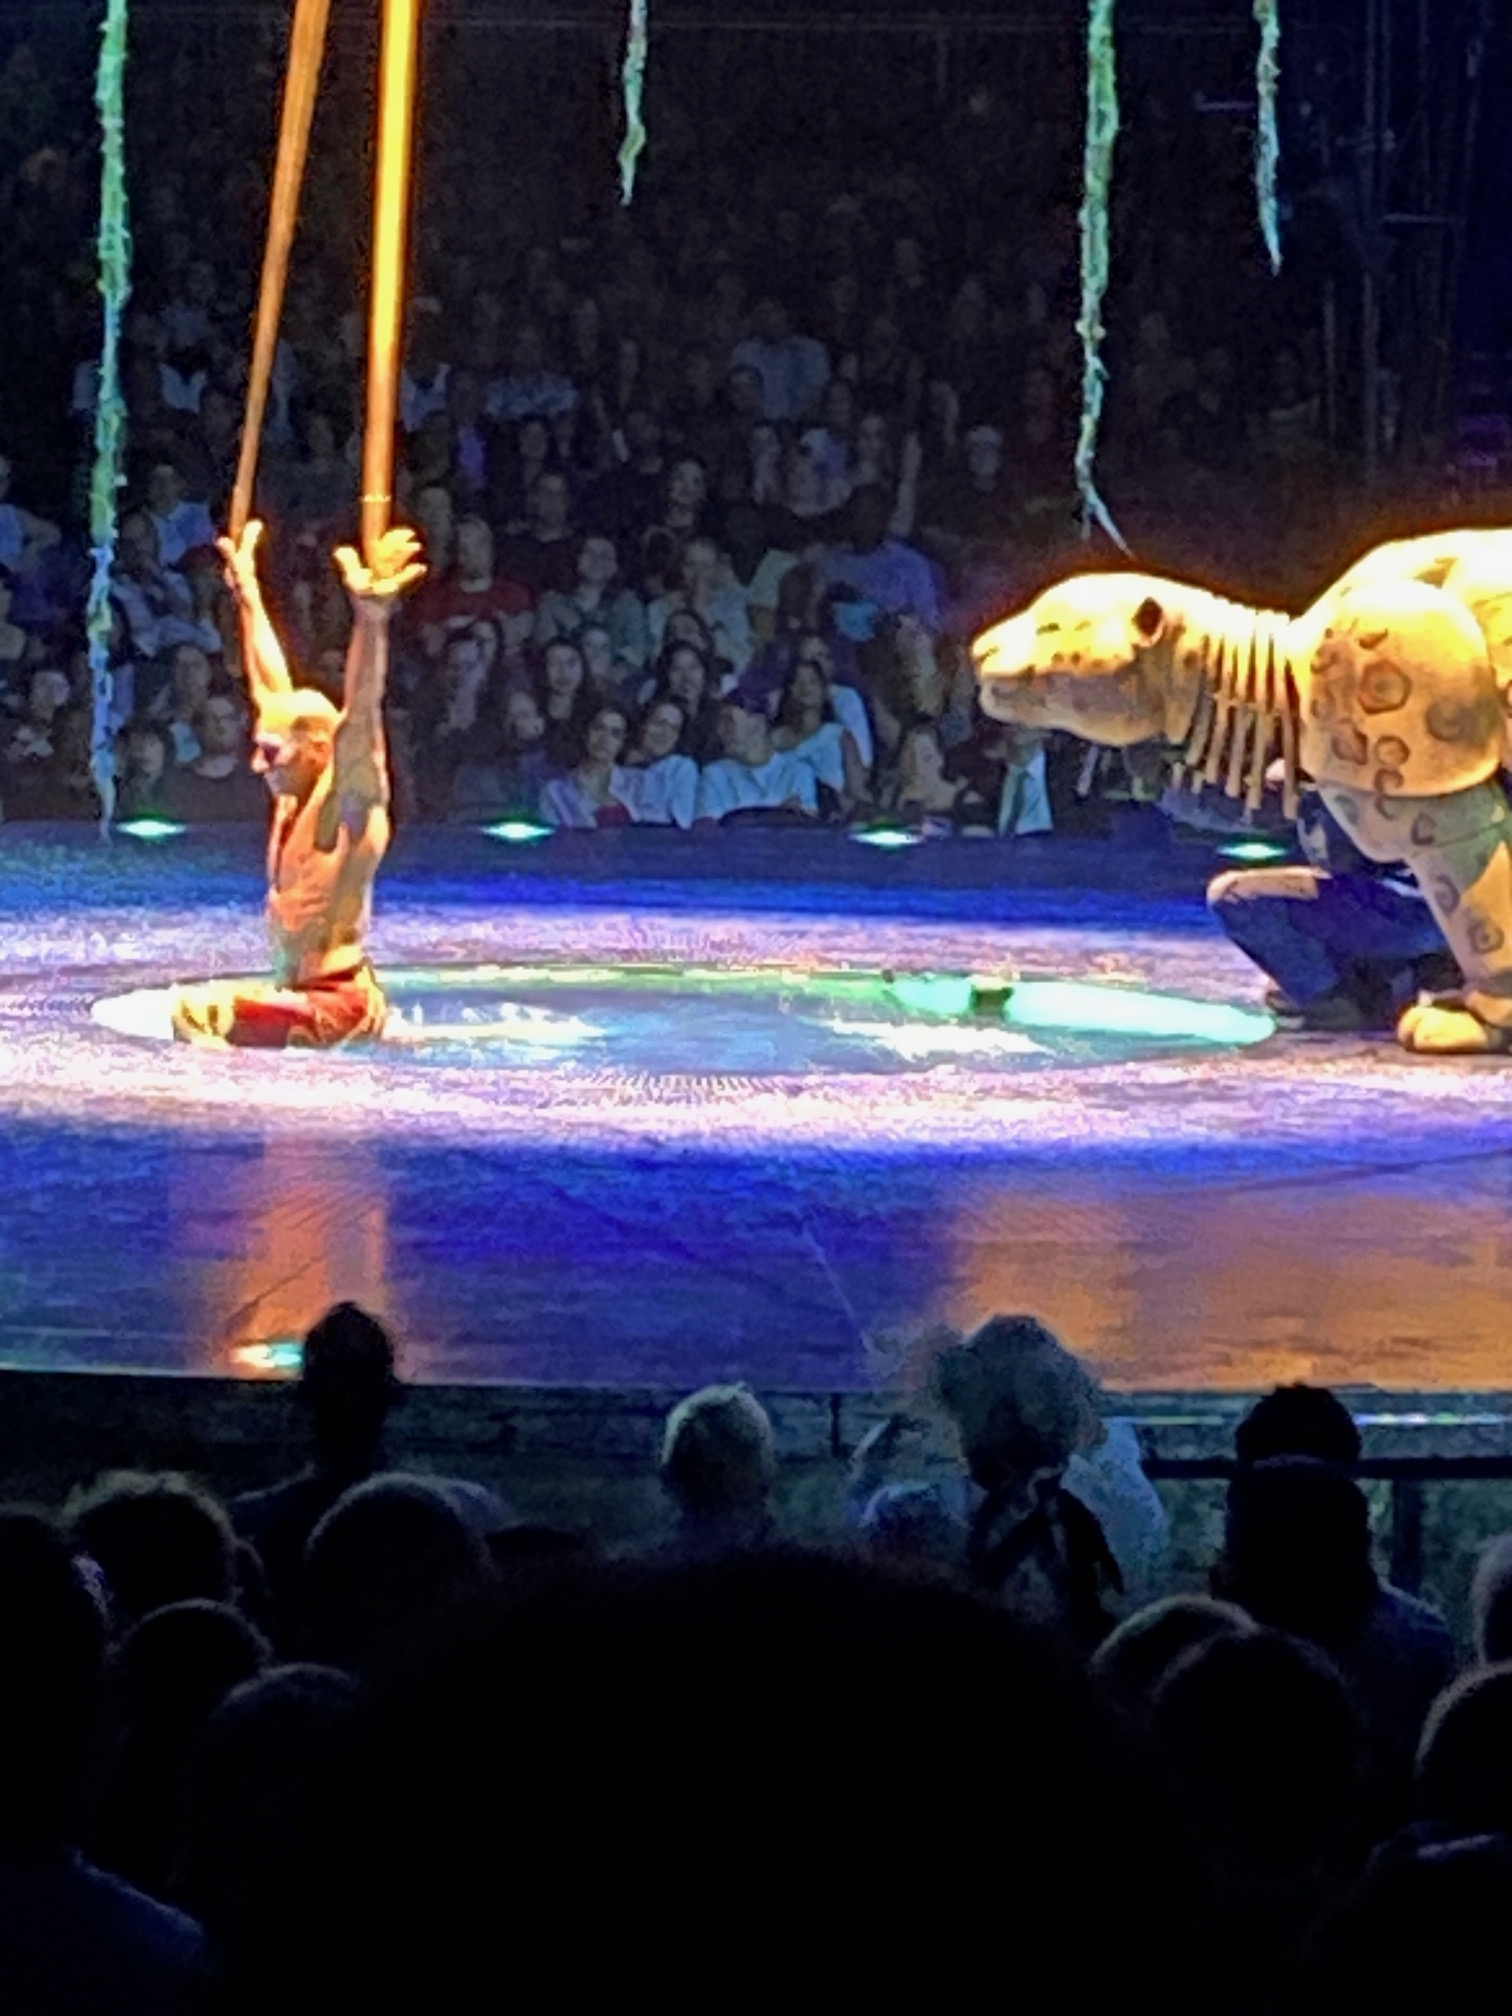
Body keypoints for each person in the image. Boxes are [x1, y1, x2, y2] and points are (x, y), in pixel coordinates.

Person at [168, 517, 424, 1048]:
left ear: (318, 749)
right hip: (304, 989)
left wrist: (371, 620)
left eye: (271, 753)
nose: (257, 765)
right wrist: (247, 592)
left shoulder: (347, 802)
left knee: (195, 1014)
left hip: (335, 1000)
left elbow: (362, 711)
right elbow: (268, 685)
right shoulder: (293, 792)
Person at [1208, 789, 1456, 1031]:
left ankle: (1339, 1003)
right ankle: (1385, 981)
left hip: (1424, 911)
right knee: (1283, 980)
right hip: (1426, 911)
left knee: (1234, 895)